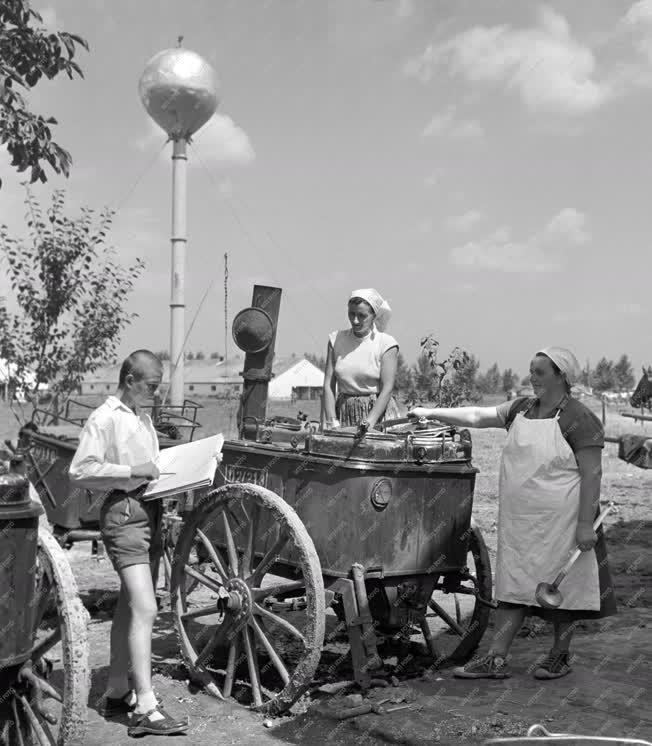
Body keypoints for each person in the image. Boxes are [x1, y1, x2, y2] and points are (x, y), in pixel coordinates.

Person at [408, 346, 617, 680]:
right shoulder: (521, 409)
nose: (531, 378)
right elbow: (478, 416)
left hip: (563, 521)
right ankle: (496, 658)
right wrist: (433, 414)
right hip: (520, 522)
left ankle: (559, 656)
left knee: (562, 590)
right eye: (531, 371)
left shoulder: (580, 418)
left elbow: (592, 474)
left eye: (540, 372)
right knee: (513, 587)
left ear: (561, 376)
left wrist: (583, 524)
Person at [69, 350, 188, 737]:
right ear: (130, 378)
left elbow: (148, 465)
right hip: (124, 515)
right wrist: (133, 471)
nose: (155, 394)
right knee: (147, 607)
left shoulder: (142, 419)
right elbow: (81, 470)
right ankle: (146, 707)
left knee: (129, 606)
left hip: (148, 512)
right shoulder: (105, 418)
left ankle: (119, 688)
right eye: (151, 386)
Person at [322, 288, 400, 431]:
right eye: (351, 314)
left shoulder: (386, 344)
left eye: (362, 315)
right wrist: (332, 421)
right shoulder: (336, 340)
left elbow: (387, 388)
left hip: (377, 414)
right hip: (345, 412)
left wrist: (368, 423)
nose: (355, 320)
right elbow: (328, 384)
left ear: (374, 316)